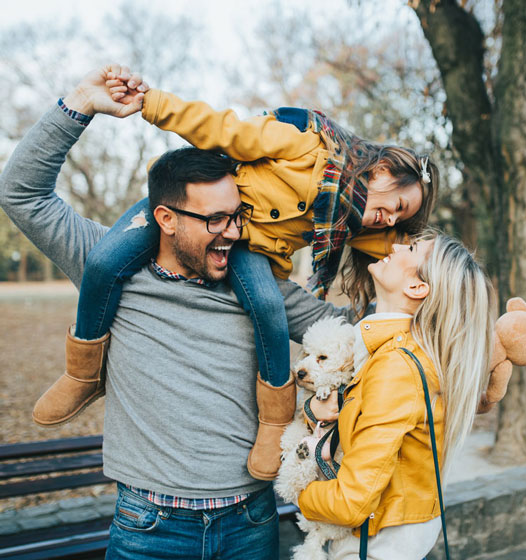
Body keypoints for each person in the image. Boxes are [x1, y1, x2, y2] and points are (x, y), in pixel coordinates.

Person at [0, 65, 361, 560]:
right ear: (165, 219)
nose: (233, 232)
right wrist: (80, 104)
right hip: (150, 529)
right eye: (215, 219)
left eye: (237, 215)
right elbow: (21, 192)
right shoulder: (107, 264)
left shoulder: (261, 287)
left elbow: (353, 331)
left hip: (250, 524)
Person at [32, 69, 440, 482]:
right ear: (383, 170)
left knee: (267, 307)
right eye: (397, 205)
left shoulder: (355, 224)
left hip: (247, 250)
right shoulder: (304, 148)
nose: (390, 220)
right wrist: (153, 104)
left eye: (400, 218)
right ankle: (82, 373)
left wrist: (457, 290)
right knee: (103, 262)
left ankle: (274, 422)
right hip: (207, 210)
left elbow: (416, 261)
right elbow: (225, 130)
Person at [297, 233, 496, 560]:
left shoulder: (395, 366)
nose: (397, 246)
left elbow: (351, 503)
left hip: (372, 548)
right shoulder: (398, 353)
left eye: (412, 249)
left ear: (417, 287)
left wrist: (298, 491)